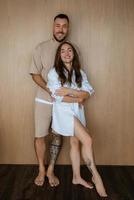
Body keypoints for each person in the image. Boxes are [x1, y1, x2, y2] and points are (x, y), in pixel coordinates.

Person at [30, 14, 93, 188]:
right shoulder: (41, 48)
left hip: (64, 103)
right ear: (53, 27)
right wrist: (50, 90)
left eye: (64, 26)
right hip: (44, 100)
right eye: (58, 25)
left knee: (57, 135)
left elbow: (78, 75)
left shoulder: (74, 49)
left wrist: (79, 97)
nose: (61, 29)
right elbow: (34, 74)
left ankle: (51, 169)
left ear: (68, 28)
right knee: (40, 135)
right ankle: (41, 169)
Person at [47, 41, 108, 197]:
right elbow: (57, 98)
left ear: (73, 53)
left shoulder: (80, 72)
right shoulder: (53, 72)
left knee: (75, 142)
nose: (66, 53)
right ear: (59, 56)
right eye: (63, 51)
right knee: (87, 140)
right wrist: (77, 97)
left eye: (69, 50)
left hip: (78, 112)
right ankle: (96, 175)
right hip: (64, 113)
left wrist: (68, 91)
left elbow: (88, 93)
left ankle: (76, 177)